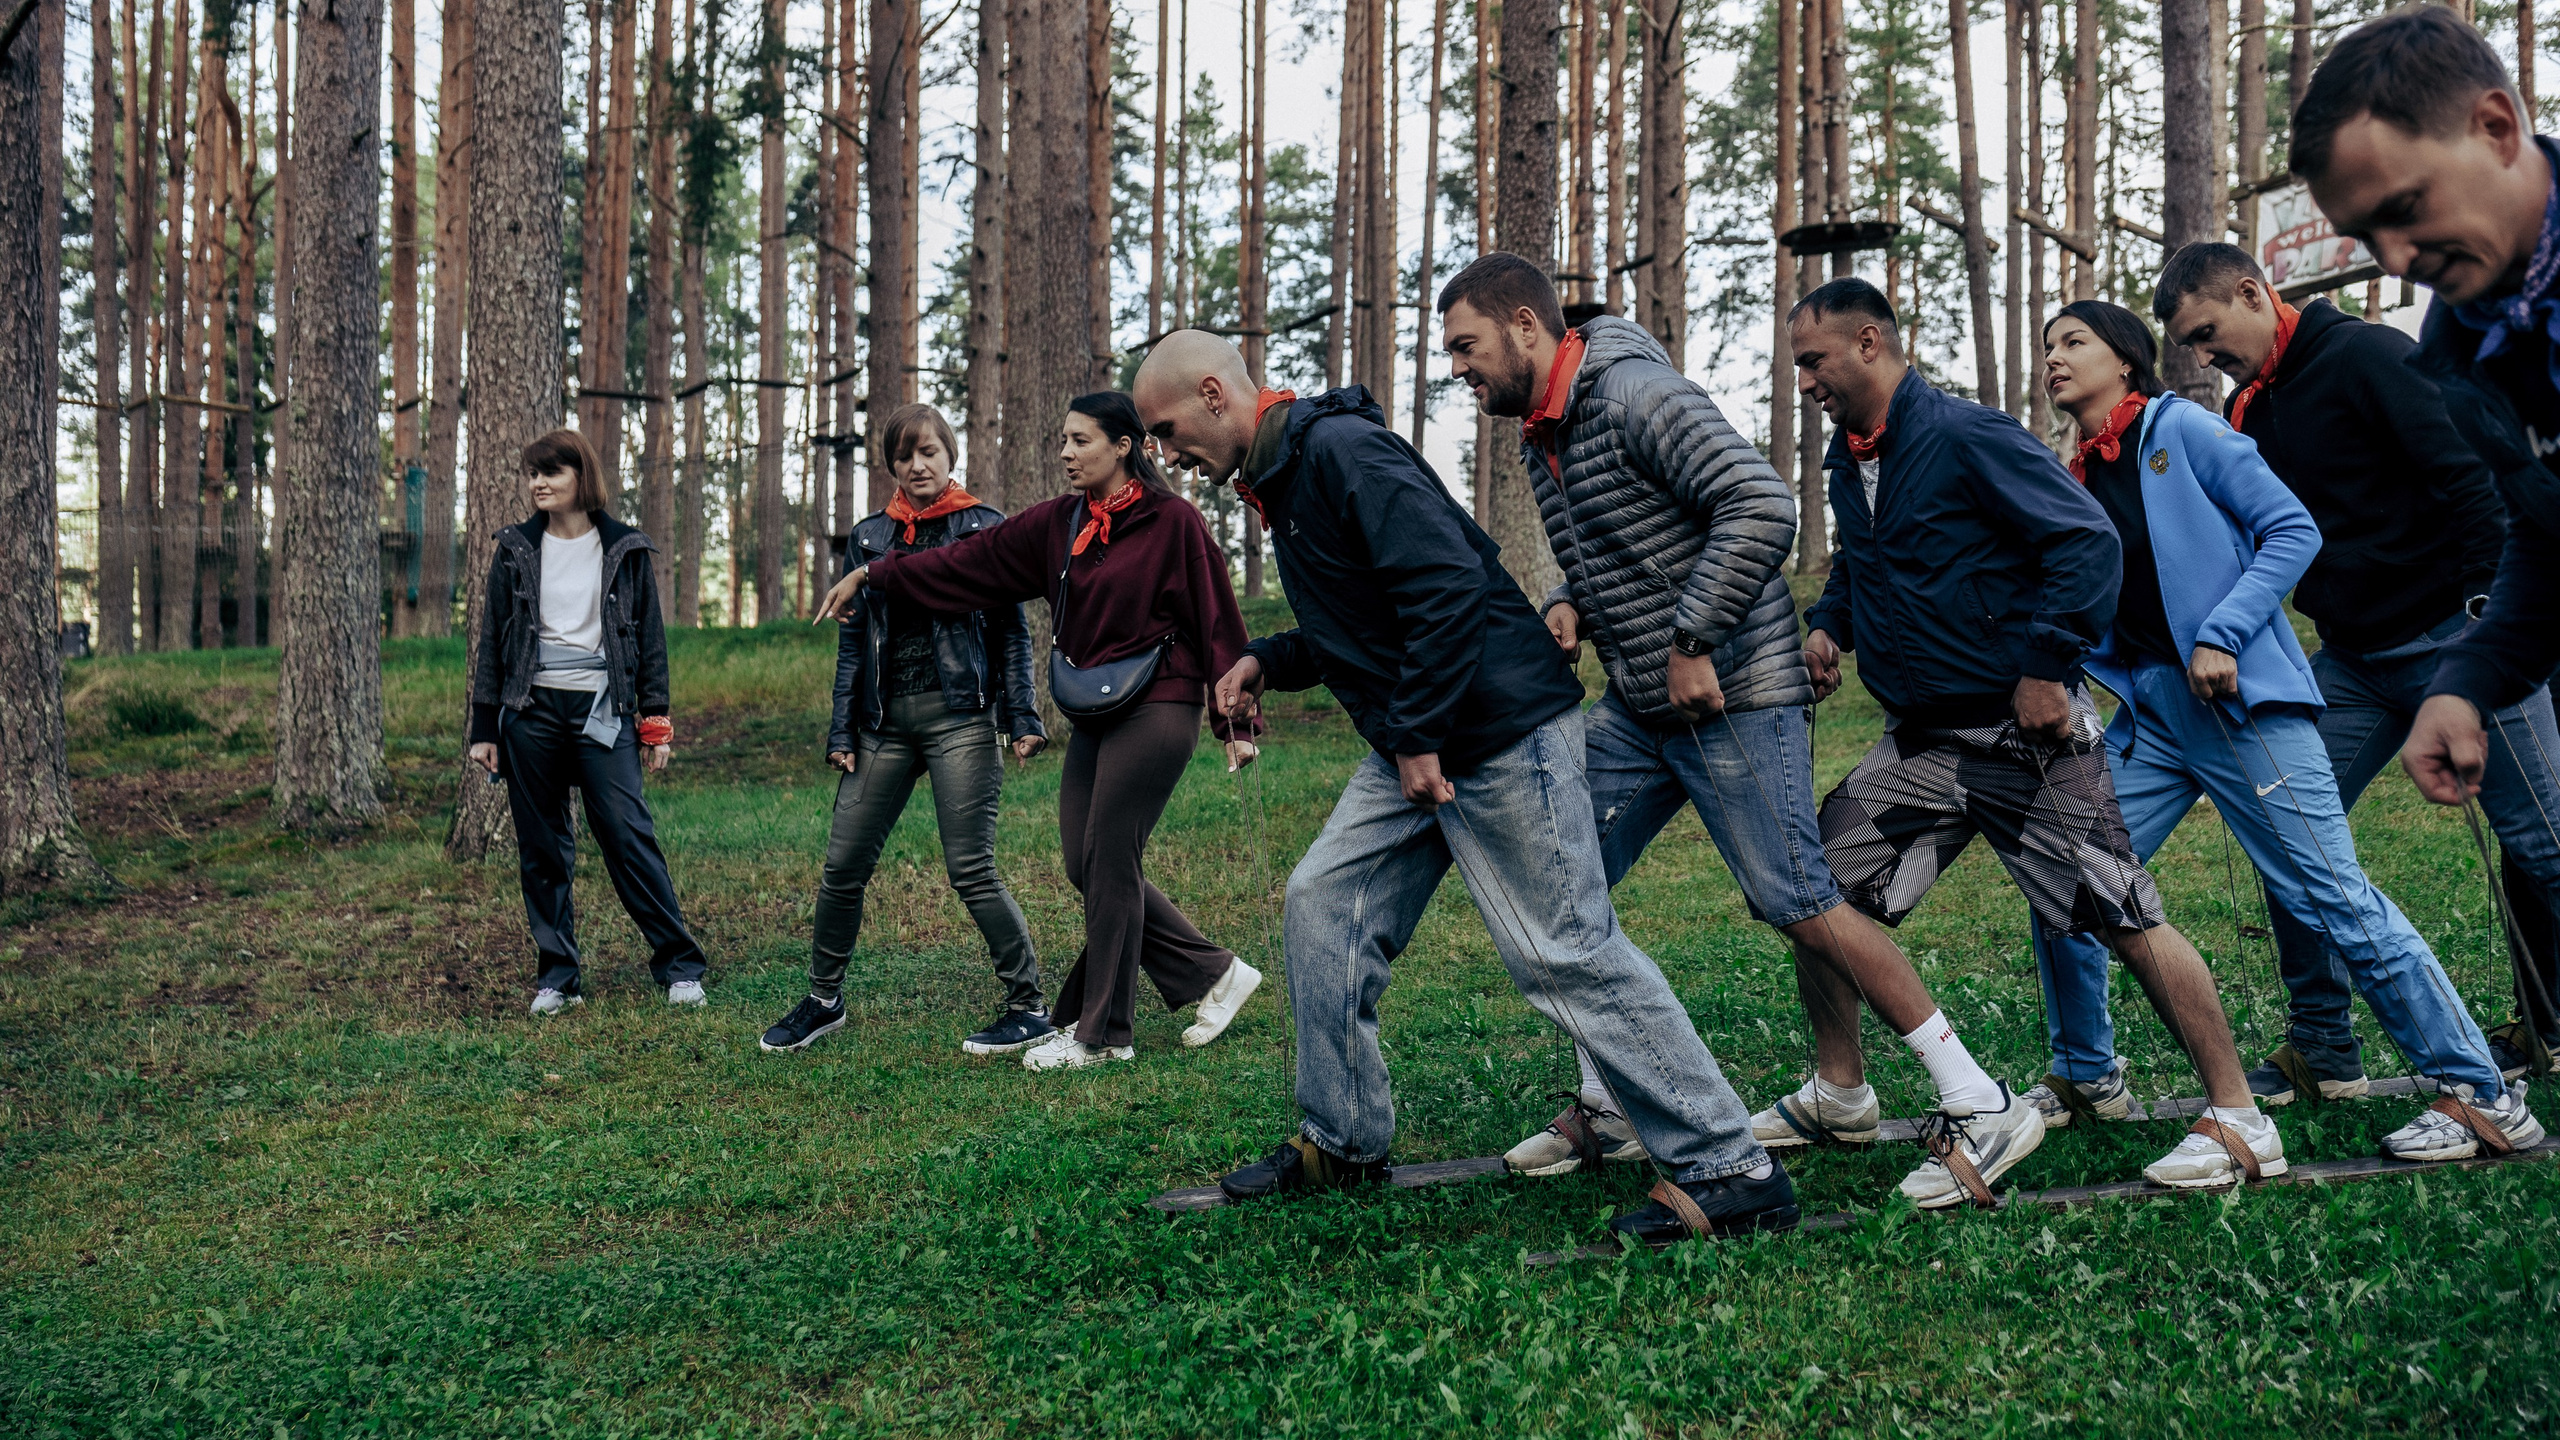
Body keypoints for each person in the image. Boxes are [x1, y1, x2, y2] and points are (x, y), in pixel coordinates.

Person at [1134, 329, 1798, 1246]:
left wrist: (1415, 736)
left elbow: (1448, 586)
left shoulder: (1340, 451)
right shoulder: (1286, 473)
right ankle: (1343, 1139)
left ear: (1214, 394)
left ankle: (1731, 1167)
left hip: (1496, 730)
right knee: (1324, 902)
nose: (1165, 453)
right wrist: (1265, 659)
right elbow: (1368, 619)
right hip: (1429, 731)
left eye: (1166, 428)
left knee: (1563, 950)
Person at [1433, 252, 2038, 1210]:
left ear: (1523, 323)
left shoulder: (1635, 393)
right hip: (1640, 703)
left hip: (1735, 692)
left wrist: (1691, 635)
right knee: (1563, 872)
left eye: (1466, 347)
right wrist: (1566, 602)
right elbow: (1621, 540)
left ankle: (1977, 1096)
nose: (1459, 370)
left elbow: (1759, 504)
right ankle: (1619, 1099)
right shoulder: (1541, 435)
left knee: (1797, 894)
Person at [1793, 278, 2285, 1190]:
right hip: (1924, 739)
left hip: (2026, 737)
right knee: (1817, 888)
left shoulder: (1963, 435)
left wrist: (2047, 667)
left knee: (2123, 916)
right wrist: (1829, 622)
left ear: (1869, 343)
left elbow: (2085, 541)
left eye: (1814, 362)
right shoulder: (1847, 457)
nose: (1806, 383)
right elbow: (1869, 567)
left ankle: (2241, 1117)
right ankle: (1839, 1089)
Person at [2027, 300, 2537, 1162]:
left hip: (2237, 704)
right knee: (2067, 870)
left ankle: (2481, 1094)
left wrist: (2223, 632)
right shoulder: (2077, 469)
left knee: (2331, 896)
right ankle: (2087, 1073)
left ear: (2125, 360)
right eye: (2046, 347)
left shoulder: (2182, 428)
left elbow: (2291, 528)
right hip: (2151, 709)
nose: (2053, 358)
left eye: (2073, 342)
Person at [2153, 241, 2560, 1096]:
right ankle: (2324, 1046)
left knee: (2546, 844)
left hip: (2458, 639)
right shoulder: (2248, 412)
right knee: (2290, 840)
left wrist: (2488, 617)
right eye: (2190, 344)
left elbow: (2473, 478)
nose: (2203, 355)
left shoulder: (2368, 355)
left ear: (2253, 293)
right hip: (2353, 663)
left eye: (2207, 330)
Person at [813, 391, 1262, 1071]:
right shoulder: (1060, 522)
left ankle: (1103, 1034)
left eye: (1081, 440)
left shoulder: (1174, 521)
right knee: (1086, 866)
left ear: (1123, 446)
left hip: (1162, 700)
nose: (1065, 452)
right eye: (1062, 439)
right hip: (1095, 709)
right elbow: (966, 564)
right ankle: (1214, 973)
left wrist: (1236, 722)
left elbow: (1216, 616)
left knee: (1110, 858)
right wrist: (874, 573)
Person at [2297, 5, 2560, 1062]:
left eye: (2405, 209)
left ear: (2495, 125)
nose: (2397, 257)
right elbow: (2542, 539)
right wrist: (2467, 677)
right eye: (2367, 237)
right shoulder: (2463, 341)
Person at [759, 403, 1053, 1058]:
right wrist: (841, 730)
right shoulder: (868, 537)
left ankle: (1028, 1003)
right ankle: (823, 999)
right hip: (881, 728)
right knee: (841, 867)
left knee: (971, 869)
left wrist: (1022, 715)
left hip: (961, 720)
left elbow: (1010, 633)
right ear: (891, 464)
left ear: (951, 456)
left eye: (929, 452)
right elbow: (852, 646)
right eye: (904, 455)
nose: (917, 465)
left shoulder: (983, 527)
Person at [466, 429, 710, 1015]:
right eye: (533, 474)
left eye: (552, 472)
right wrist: (482, 728)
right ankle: (558, 977)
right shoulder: (515, 549)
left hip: (606, 711)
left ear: (583, 477)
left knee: (627, 836)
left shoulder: (623, 548)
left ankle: (679, 965)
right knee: (542, 847)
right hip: (532, 712)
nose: (539, 483)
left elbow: (650, 640)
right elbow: (493, 641)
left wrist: (655, 724)